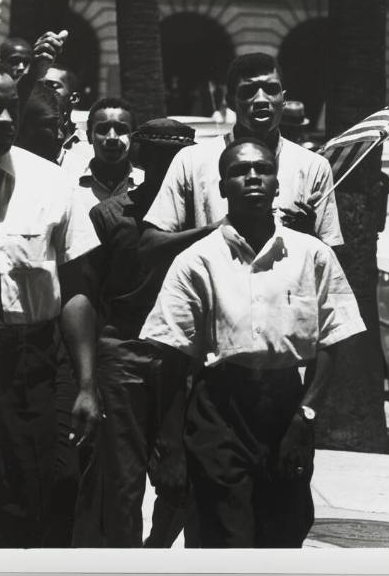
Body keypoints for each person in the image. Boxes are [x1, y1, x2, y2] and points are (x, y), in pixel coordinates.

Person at [140, 138, 365, 548]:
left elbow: (333, 338)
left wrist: (305, 418)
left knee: (282, 535)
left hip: (286, 409)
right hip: (219, 409)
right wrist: (169, 443)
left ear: (278, 184)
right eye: (240, 172)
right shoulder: (197, 260)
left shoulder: (311, 255)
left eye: (262, 170)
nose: (253, 179)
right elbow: (170, 356)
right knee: (224, 535)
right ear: (222, 186)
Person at [72, 119, 197, 548]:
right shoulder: (109, 215)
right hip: (124, 353)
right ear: (141, 157)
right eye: (157, 155)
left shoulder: (204, 215)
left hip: (183, 357)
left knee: (181, 477)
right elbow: (88, 293)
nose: (166, 166)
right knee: (122, 484)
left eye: (175, 156)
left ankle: (155, 551)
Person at [0, 59, 101, 547]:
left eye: (10, 108)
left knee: (33, 492)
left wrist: (85, 383)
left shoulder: (50, 182)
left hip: (27, 360)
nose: (6, 121)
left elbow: (76, 288)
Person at [139, 53, 343, 267]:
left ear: (284, 98)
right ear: (230, 101)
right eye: (248, 91)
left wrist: (306, 235)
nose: (262, 99)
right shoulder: (192, 161)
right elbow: (150, 246)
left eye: (271, 90)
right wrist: (218, 230)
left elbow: (332, 261)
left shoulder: (313, 166)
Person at [75, 97, 144, 211]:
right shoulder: (71, 186)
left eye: (121, 130)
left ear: (133, 137)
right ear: (89, 136)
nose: (112, 137)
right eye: (102, 129)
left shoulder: (145, 185)